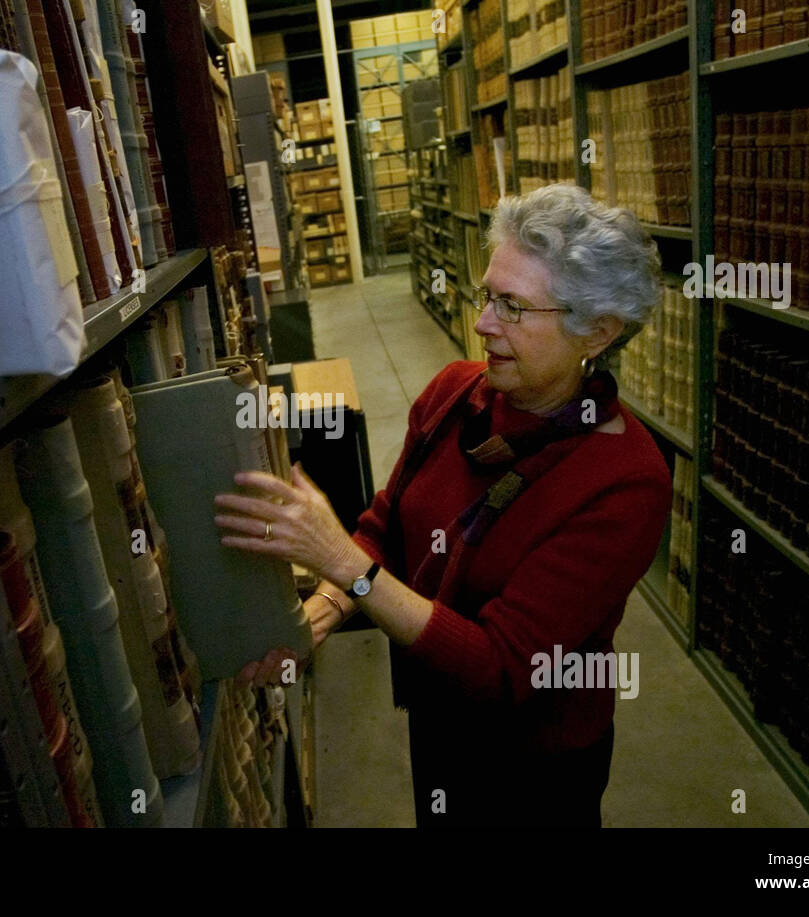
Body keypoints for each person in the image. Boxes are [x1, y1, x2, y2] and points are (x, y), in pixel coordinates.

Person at [214, 183, 672, 827]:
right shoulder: (456, 394)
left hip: (532, 770)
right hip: (438, 720)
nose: (484, 322)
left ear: (596, 331)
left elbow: (505, 668)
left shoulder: (625, 480)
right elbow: (385, 529)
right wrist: (316, 617)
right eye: (490, 295)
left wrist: (345, 565)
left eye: (514, 306)